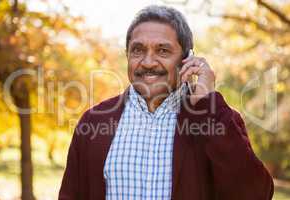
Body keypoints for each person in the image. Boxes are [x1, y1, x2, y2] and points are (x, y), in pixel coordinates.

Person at [59, 5, 274, 200]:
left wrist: (207, 106)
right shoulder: (94, 122)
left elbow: (255, 194)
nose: (149, 62)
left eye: (163, 50)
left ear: (187, 58)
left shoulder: (218, 118)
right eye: (138, 50)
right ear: (127, 56)